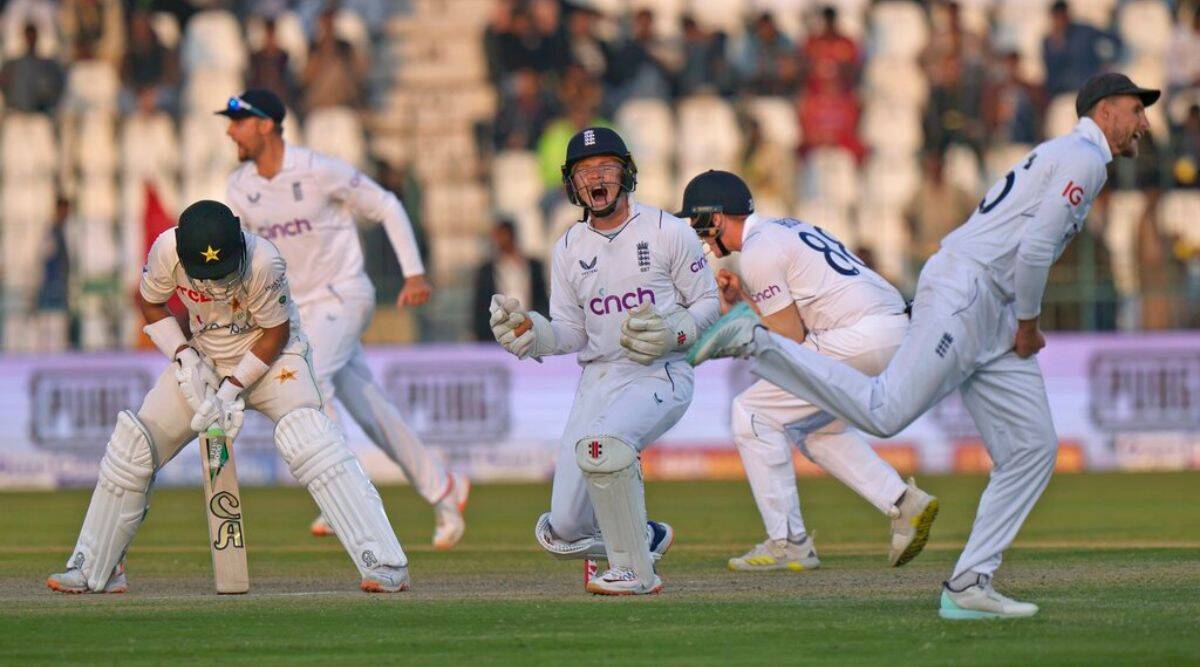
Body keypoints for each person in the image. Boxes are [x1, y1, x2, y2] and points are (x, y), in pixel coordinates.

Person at [688, 73, 1159, 619]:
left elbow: (1029, 250)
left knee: (1032, 449)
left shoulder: (1074, 156)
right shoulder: (1083, 157)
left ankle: (969, 584)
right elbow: (1033, 251)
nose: (1144, 122)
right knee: (883, 415)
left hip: (988, 303)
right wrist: (1028, 325)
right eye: (1135, 109)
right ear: (1104, 111)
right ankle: (752, 342)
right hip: (970, 290)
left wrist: (1017, 318)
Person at [47, 200, 411, 594]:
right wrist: (184, 357)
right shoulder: (166, 250)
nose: (216, 284)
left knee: (309, 437)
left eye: (221, 272)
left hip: (274, 359)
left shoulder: (263, 262)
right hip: (206, 358)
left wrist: (232, 389)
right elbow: (149, 302)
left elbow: (277, 333)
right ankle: (95, 567)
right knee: (134, 446)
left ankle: (385, 563)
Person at [219, 90, 468, 550]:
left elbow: (387, 205)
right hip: (297, 309)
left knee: (309, 380)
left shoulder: (318, 169)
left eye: (238, 122)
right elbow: (251, 256)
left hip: (344, 294)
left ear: (266, 125)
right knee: (372, 411)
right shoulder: (239, 187)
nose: (230, 130)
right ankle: (444, 489)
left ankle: (339, 494)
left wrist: (413, 272)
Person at [489, 127, 719, 595]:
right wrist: (532, 335)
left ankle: (637, 573)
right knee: (566, 528)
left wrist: (676, 332)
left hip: (661, 370)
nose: (596, 178)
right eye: (584, 171)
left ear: (626, 173)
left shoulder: (665, 231)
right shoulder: (569, 247)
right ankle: (644, 537)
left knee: (607, 446)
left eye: (606, 168)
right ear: (572, 184)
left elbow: (707, 303)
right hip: (597, 379)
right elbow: (571, 332)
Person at [676, 170, 937, 572]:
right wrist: (743, 299)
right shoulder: (783, 229)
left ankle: (788, 543)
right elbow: (789, 329)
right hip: (887, 330)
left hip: (861, 336)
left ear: (718, 215)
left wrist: (734, 318)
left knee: (753, 413)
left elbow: (788, 339)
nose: (704, 240)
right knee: (814, 427)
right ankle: (903, 503)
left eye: (700, 224)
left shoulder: (759, 250)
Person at [472, 219, 548, 342]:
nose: (498, 240)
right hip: (497, 336)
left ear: (511, 235)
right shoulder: (486, 270)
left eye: (501, 235)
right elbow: (480, 306)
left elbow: (542, 299)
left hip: (531, 332)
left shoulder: (533, 265)